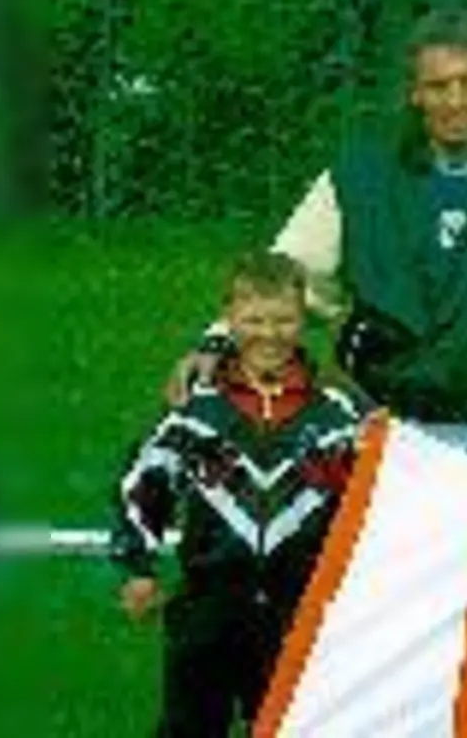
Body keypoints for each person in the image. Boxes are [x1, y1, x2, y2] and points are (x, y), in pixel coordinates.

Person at [166, 10, 467, 470]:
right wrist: (220, 341)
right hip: (382, 418)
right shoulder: (359, 180)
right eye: (439, 86)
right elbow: (288, 276)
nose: (456, 100)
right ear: (414, 93)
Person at [112, 251, 369, 737]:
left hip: (302, 610)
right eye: (253, 320)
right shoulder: (197, 410)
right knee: (188, 727)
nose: (269, 334)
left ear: (302, 319)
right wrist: (137, 568)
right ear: (228, 320)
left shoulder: (338, 414)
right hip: (208, 606)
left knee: (295, 726)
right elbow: (145, 482)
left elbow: (380, 496)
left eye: (284, 320)